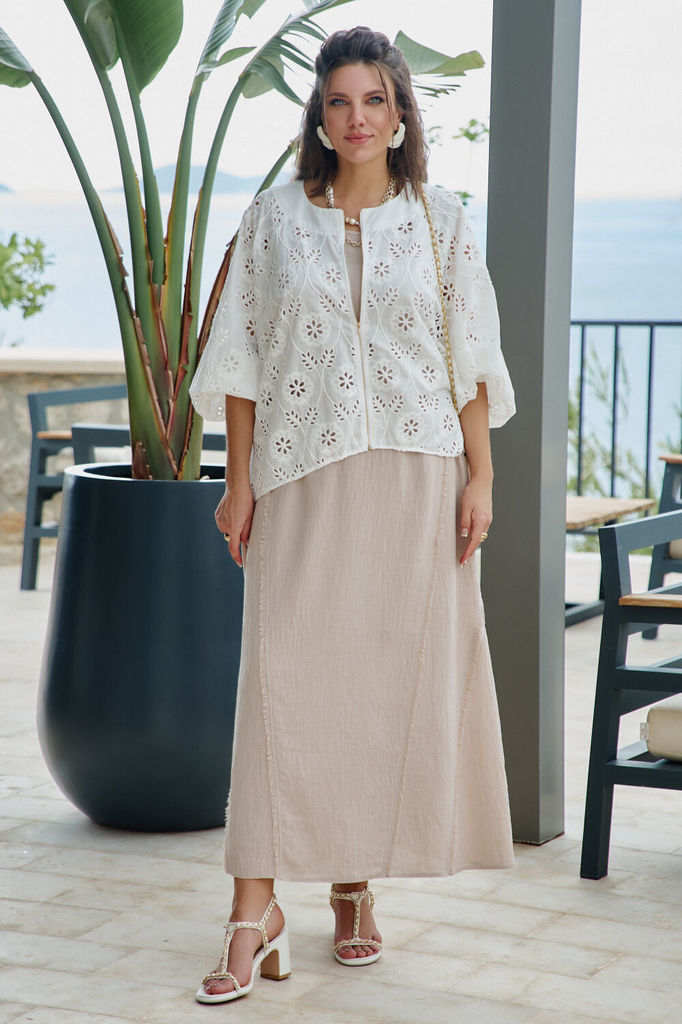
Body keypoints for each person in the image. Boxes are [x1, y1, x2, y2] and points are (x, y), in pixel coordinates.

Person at [189, 25, 516, 1006]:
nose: (357, 117)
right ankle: (253, 910)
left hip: (417, 476)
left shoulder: (443, 219)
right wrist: (238, 479)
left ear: (401, 113)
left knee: (378, 689)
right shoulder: (274, 217)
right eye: (339, 101)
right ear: (320, 119)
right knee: (281, 685)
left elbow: (469, 357)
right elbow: (241, 357)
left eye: (374, 100)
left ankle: (352, 884)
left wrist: (481, 476)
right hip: (302, 473)